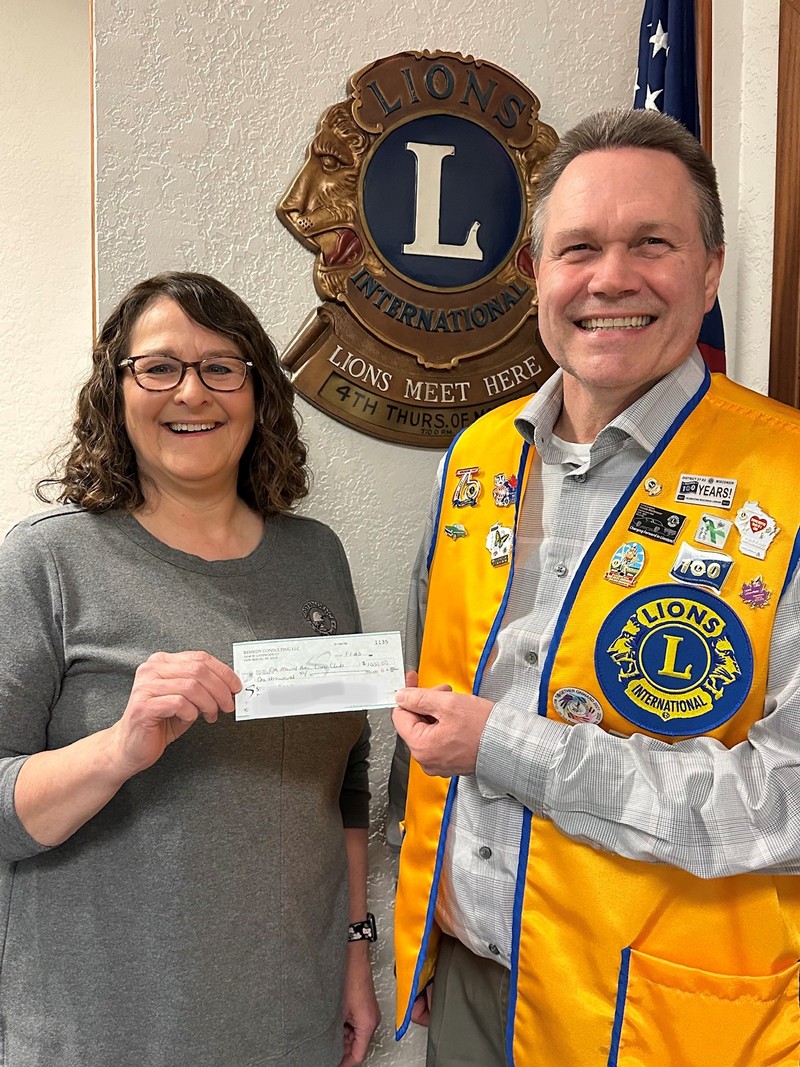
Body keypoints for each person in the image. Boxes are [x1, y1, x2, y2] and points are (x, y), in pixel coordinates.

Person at [391, 108, 800, 1067]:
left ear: (710, 268)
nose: (610, 278)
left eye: (650, 243)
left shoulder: (788, 481)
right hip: (468, 982)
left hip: (666, 1021)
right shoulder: (477, 457)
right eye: (578, 248)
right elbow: (429, 683)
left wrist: (509, 748)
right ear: (538, 274)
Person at [0, 272, 380, 1067]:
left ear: (256, 391)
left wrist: (355, 952)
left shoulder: (316, 558)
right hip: (102, 1033)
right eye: (159, 367)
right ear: (117, 388)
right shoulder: (47, 560)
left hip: (287, 1023)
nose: (192, 392)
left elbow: (343, 781)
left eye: (220, 366)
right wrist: (117, 748)